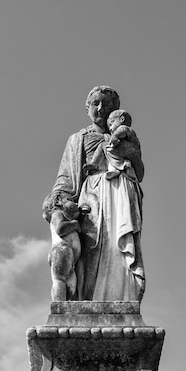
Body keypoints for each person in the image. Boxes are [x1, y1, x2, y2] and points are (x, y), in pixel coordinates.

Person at [51, 85, 145, 301]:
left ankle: (122, 297)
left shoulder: (126, 137)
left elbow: (139, 171)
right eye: (96, 103)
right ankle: (88, 301)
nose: (101, 108)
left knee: (119, 249)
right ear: (87, 108)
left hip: (121, 194)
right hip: (91, 197)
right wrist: (61, 201)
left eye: (107, 104)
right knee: (91, 247)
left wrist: (128, 153)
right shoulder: (78, 139)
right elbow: (65, 178)